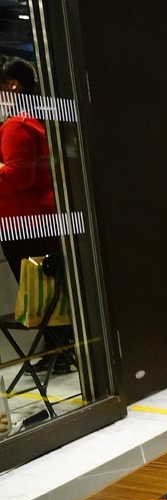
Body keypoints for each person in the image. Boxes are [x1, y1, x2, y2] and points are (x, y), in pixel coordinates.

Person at [0, 56, 74, 374]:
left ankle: (58, 354)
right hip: (43, 216)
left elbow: (18, 176)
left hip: (22, 221)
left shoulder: (16, 125)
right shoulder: (38, 121)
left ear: (13, 86)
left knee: (38, 291)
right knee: (52, 288)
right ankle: (62, 352)